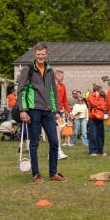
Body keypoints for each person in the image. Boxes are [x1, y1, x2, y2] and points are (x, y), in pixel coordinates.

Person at [16, 42, 67, 182]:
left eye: (43, 54)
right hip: (33, 111)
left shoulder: (50, 71)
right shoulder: (28, 70)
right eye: (38, 54)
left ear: (46, 54)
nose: (40, 57)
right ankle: (36, 174)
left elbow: (52, 91)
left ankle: (53, 173)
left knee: (54, 141)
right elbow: (21, 90)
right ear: (35, 54)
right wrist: (23, 110)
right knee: (34, 143)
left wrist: (56, 110)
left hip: (47, 111)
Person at [86, 86, 106, 156]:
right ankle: (92, 150)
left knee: (100, 135)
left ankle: (100, 150)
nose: (101, 92)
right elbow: (94, 104)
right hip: (93, 117)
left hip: (100, 117)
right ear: (97, 90)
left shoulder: (101, 98)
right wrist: (98, 104)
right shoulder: (90, 96)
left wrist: (99, 106)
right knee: (93, 134)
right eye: (100, 91)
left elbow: (103, 106)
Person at [54, 70, 70, 160]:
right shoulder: (51, 86)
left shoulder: (62, 86)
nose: (63, 78)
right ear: (56, 76)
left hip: (60, 111)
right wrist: (55, 112)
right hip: (53, 111)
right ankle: (58, 151)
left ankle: (56, 151)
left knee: (58, 130)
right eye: (61, 76)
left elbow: (65, 100)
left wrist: (69, 111)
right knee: (57, 131)